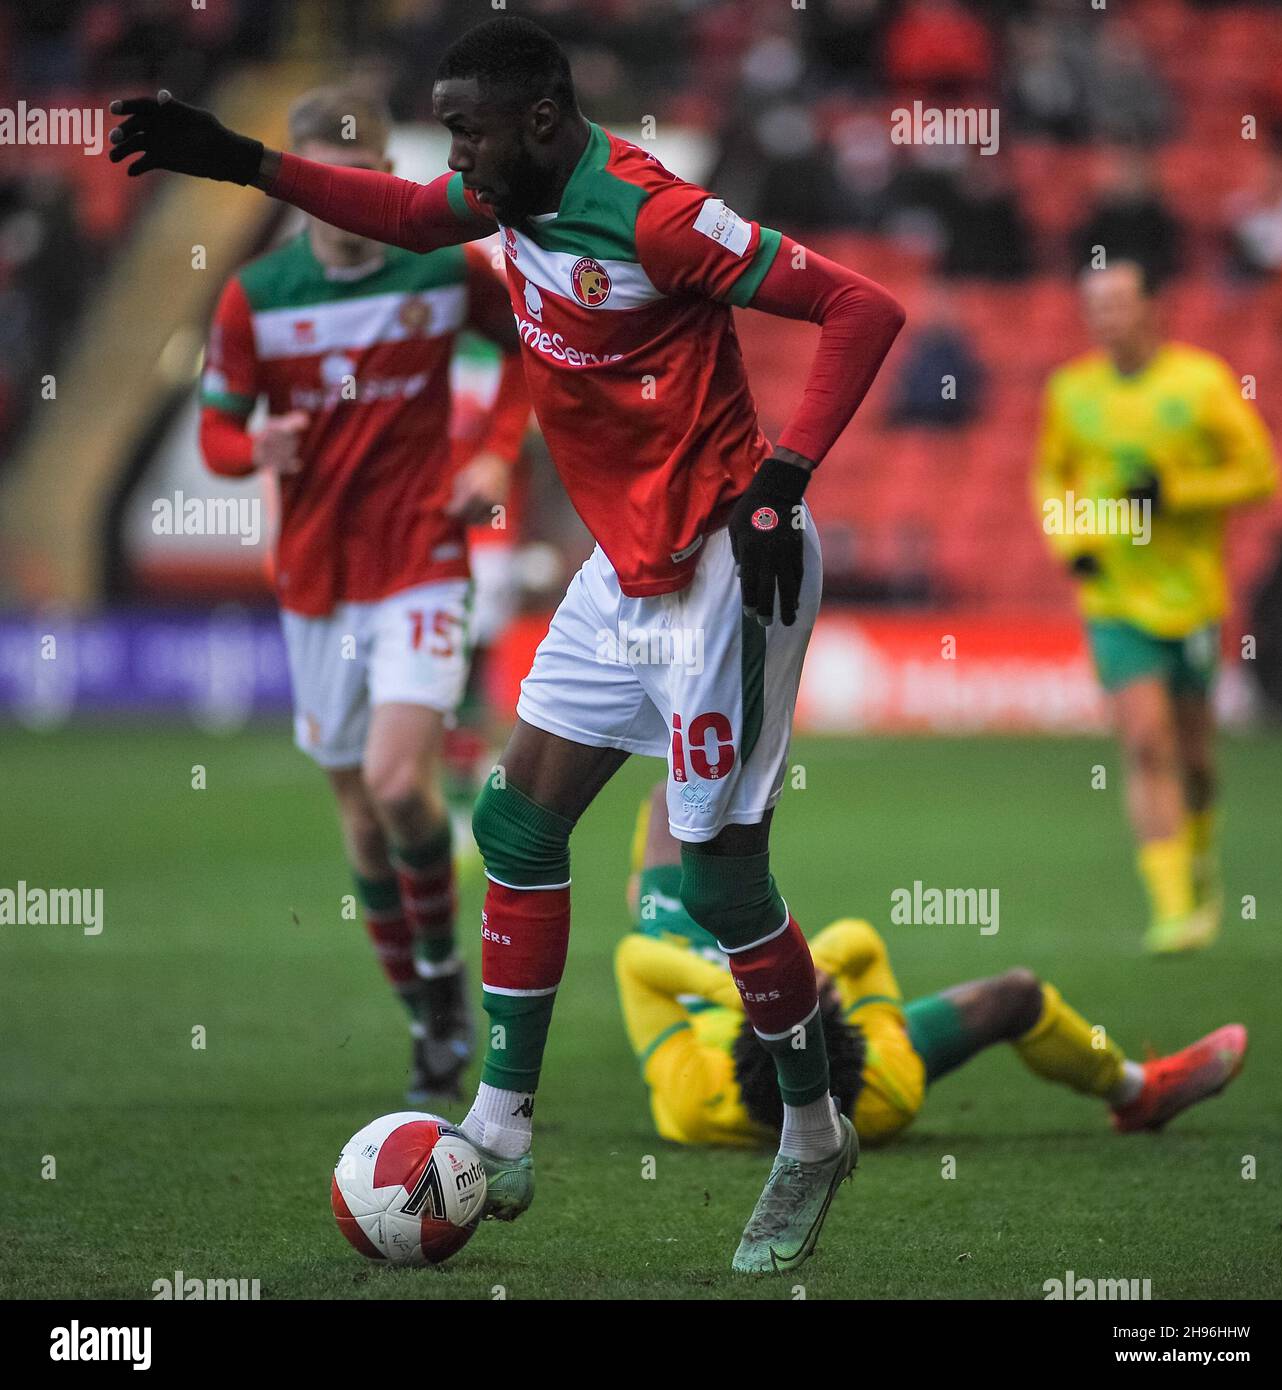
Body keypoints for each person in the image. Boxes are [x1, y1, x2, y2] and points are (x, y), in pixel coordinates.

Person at [109, 15, 906, 1275]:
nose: (454, 157)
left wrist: (785, 482)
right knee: (519, 827)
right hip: (624, 569)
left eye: (468, 131)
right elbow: (405, 212)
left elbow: (860, 307)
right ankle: (499, 1123)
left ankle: (811, 1131)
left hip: (725, 565)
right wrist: (240, 160)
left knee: (718, 880)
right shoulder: (499, 202)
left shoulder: (652, 218)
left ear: (540, 122)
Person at [197, 85, 531, 1101]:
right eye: (331, 180)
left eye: (370, 176)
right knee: (355, 799)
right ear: (297, 183)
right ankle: (426, 1009)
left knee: (397, 783)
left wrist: (492, 457)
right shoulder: (257, 295)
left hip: (421, 556)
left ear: (388, 172)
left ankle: (442, 971)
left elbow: (527, 349)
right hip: (315, 581)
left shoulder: (441, 262)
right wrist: (255, 443)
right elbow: (218, 434)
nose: (352, 195)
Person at [619, 782, 1247, 1148]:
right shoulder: (887, 1088)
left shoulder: (695, 1103)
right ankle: (1136, 1091)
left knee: (674, 795)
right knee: (1017, 996)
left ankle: (640, 885)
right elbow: (860, 940)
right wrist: (801, 975)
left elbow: (635, 963)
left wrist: (746, 994)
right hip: (844, 1066)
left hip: (684, 956)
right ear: (851, 1032)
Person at [1034, 261, 1279, 954]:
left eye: (1119, 303)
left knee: (1197, 755)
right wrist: (1070, 538)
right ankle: (1173, 909)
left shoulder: (1200, 382)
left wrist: (1175, 492)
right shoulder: (1071, 391)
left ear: (1152, 309)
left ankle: (1200, 861)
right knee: (1146, 743)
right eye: (1096, 305)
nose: (1107, 316)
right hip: (1112, 595)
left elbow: (1259, 473)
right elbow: (1051, 472)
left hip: (1191, 597)